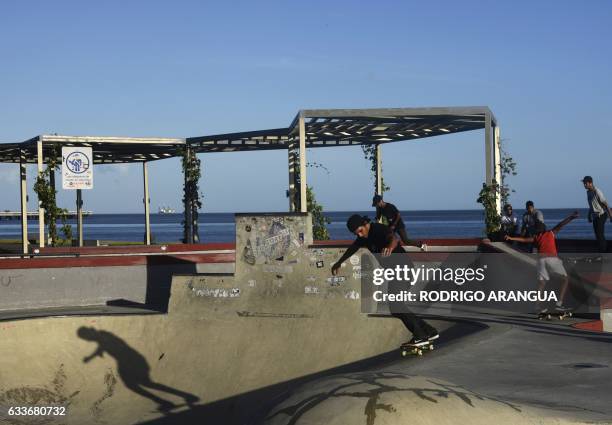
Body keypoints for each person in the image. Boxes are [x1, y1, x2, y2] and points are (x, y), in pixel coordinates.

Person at [332, 214, 438, 346]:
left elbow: (394, 238)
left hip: (402, 268)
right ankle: (429, 331)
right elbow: (352, 248)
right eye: (356, 233)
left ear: (365, 224)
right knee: (396, 307)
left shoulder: (378, 229)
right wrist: (339, 263)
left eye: (360, 231)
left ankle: (420, 335)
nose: (359, 235)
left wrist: (390, 247)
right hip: (395, 272)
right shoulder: (363, 238)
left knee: (396, 306)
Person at [505, 211, 579, 313]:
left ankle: (537, 306)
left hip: (541, 261)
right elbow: (561, 224)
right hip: (552, 259)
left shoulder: (536, 237)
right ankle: (559, 304)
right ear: (544, 228)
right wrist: (571, 217)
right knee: (565, 279)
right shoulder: (551, 233)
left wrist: (510, 237)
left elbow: (524, 240)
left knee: (541, 284)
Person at [582, 176, 611, 252]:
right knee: (597, 235)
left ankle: (604, 252)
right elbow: (592, 205)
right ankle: (602, 250)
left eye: (586, 183)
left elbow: (605, 204)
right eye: (584, 183)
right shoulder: (588, 192)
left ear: (590, 183)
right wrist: (589, 215)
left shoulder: (597, 191)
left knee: (600, 234)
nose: (584, 185)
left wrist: (611, 215)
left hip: (601, 215)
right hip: (595, 216)